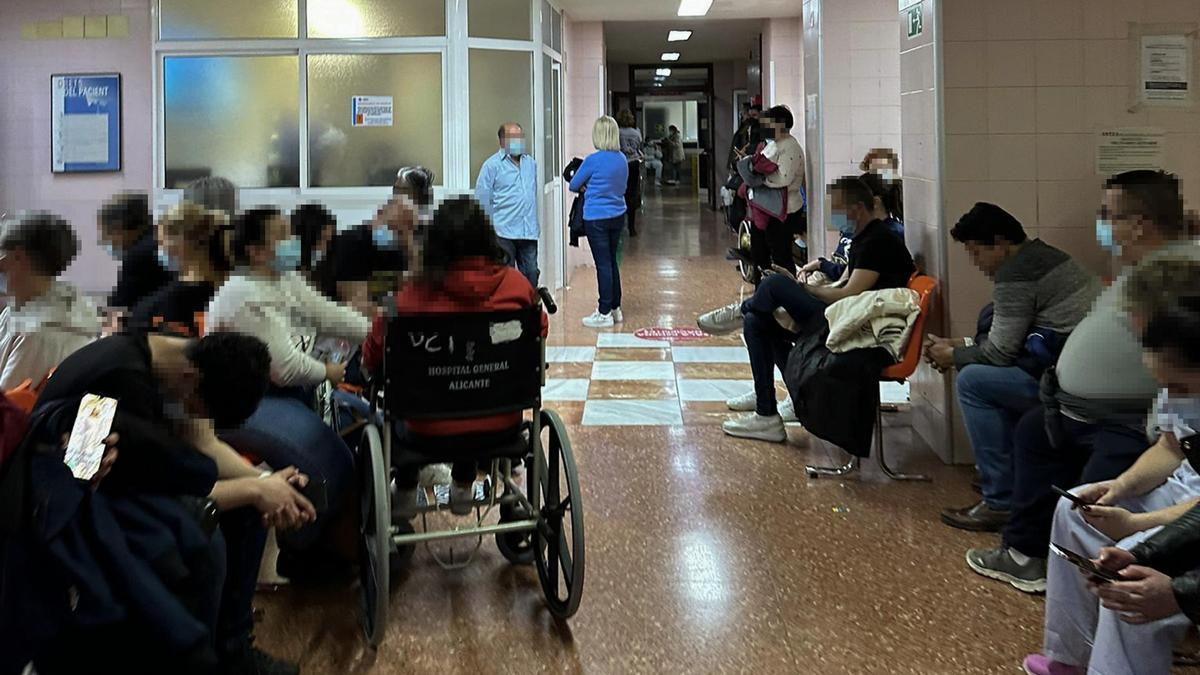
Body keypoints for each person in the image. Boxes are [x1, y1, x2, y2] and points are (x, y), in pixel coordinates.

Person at [13, 330, 311, 674]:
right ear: (191, 379)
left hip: (121, 484)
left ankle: (233, 652)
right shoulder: (111, 382)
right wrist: (255, 490)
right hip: (71, 504)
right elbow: (83, 482)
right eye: (196, 408)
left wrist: (265, 482)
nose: (190, 414)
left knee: (247, 509)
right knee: (203, 536)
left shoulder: (174, 353)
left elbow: (204, 444)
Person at [967, 169, 1199, 594]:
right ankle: (1026, 554)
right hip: (1075, 408)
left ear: (1139, 223)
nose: (1104, 225)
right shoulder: (1141, 267)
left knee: (1092, 512)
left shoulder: (1181, 270)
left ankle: (1110, 591)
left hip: (1127, 421)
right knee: (1033, 433)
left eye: (1109, 215)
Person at [1024, 291, 1200, 675]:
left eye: (1181, 388)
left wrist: (1137, 527)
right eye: (1164, 386)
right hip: (1181, 496)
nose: (1172, 398)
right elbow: (1169, 449)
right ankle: (1071, 656)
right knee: (1073, 513)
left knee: (1129, 581)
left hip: (1191, 511)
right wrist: (1118, 489)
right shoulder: (1182, 389)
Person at [362, 196, 548, 516]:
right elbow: (538, 332)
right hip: (501, 422)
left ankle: (405, 489)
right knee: (474, 388)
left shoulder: (406, 297)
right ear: (486, 236)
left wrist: (368, 367)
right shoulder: (518, 287)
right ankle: (463, 486)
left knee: (425, 398)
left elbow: (375, 347)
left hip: (427, 430)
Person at [924, 203, 1099, 532]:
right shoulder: (1045, 256)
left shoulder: (1016, 274)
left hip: (1066, 379)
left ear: (1001, 243)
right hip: (1075, 363)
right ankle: (1009, 479)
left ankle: (1000, 500)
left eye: (977, 253)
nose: (976, 263)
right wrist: (958, 345)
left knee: (974, 382)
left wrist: (954, 357)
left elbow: (1000, 353)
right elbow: (1011, 338)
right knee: (985, 339)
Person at [206, 207, 371, 552]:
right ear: (255, 250)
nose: (292, 242)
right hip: (245, 403)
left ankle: (323, 539)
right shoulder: (242, 295)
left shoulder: (285, 280)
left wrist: (377, 332)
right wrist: (328, 372)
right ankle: (302, 551)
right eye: (281, 235)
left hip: (285, 394)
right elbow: (283, 366)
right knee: (329, 466)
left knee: (354, 441)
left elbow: (329, 315)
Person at [701, 176, 915, 442]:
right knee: (758, 322)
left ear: (857, 208)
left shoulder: (879, 241)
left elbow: (848, 295)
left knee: (775, 285)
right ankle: (766, 414)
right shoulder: (864, 238)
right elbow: (844, 282)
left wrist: (805, 290)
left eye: (838, 209)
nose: (833, 216)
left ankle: (740, 311)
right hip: (844, 315)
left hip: (854, 326)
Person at [0, 213, 101, 391]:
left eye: (2, 256)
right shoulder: (21, 307)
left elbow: (7, 407)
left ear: (18, 257)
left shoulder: (40, 333)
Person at [130, 202, 232, 337]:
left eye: (161, 243)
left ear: (182, 242)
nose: (159, 250)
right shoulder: (229, 290)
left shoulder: (174, 301)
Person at [569, 116, 629, 329]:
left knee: (602, 264)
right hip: (618, 215)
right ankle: (616, 308)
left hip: (596, 218)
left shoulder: (593, 161)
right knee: (612, 262)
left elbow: (573, 185)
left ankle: (604, 312)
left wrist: (587, 186)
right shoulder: (622, 159)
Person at [796, 172, 903, 285]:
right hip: (830, 275)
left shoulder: (887, 233)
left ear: (875, 202)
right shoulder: (857, 227)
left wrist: (820, 265)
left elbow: (852, 278)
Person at [475, 122, 540, 287]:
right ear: (502, 142)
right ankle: (509, 311)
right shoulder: (491, 166)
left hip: (528, 232)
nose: (518, 141)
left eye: (520, 136)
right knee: (505, 279)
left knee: (531, 274)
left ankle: (529, 310)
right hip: (503, 232)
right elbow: (482, 200)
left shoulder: (530, 164)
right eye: (513, 137)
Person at [751, 105, 806, 277]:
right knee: (760, 252)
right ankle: (764, 292)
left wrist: (759, 179)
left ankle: (785, 294)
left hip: (784, 210)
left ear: (780, 124)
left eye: (768, 123)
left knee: (780, 255)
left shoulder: (790, 147)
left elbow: (783, 178)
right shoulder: (773, 144)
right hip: (766, 207)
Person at [99, 191, 173, 313]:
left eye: (107, 235)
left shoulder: (137, 256)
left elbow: (120, 306)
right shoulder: (160, 239)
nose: (109, 241)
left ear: (118, 228)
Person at [617, 110, 643, 237]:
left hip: (622, 163)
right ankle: (632, 228)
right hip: (634, 164)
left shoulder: (618, 133)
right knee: (632, 194)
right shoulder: (636, 133)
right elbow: (639, 146)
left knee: (621, 193)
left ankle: (620, 225)